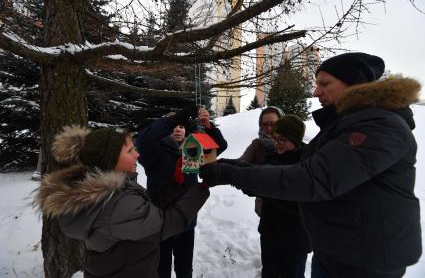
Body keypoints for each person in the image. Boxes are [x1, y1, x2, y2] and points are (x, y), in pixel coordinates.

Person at [199, 52, 422, 278]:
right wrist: (233, 168)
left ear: (355, 84)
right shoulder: (349, 124)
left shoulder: (379, 125)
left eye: (324, 84)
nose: (316, 92)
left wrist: (230, 174)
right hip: (340, 250)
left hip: (365, 262)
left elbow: (311, 179)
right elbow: (299, 171)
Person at [33, 125, 209, 278]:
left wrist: (177, 181)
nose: (137, 154)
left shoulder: (114, 188)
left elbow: (146, 206)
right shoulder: (115, 202)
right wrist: (203, 187)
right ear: (111, 160)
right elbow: (164, 224)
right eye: (130, 151)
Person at [136, 106, 227, 278]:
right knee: (161, 269)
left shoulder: (192, 151)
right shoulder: (153, 153)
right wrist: (168, 120)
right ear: (164, 128)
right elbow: (143, 141)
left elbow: (220, 146)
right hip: (160, 220)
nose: (178, 129)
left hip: (186, 220)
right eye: (173, 125)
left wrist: (208, 126)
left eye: (181, 126)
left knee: (184, 269)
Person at [257, 115, 312, 278]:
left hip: (296, 237)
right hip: (270, 232)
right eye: (275, 139)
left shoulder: (308, 162)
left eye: (282, 140)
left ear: (295, 139)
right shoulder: (272, 159)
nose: (277, 144)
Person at [239, 106, 283, 216]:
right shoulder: (257, 145)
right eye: (265, 124)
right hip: (264, 207)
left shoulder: (291, 143)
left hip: (290, 208)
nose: (269, 128)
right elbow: (241, 163)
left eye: (273, 124)